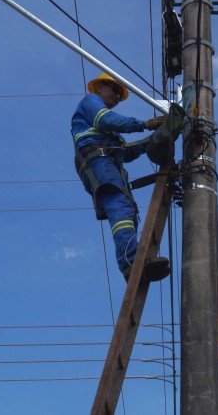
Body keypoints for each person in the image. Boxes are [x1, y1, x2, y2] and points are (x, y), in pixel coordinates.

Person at [71, 73, 170, 283]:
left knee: (128, 214)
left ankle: (135, 261)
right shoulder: (91, 103)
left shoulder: (110, 136)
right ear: (99, 88)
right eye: (114, 91)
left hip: (108, 164)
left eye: (119, 94)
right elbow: (106, 120)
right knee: (120, 207)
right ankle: (131, 261)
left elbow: (126, 152)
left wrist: (156, 138)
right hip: (99, 162)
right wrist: (145, 124)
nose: (117, 97)